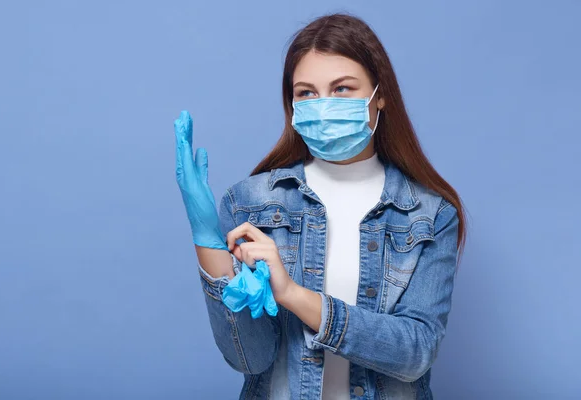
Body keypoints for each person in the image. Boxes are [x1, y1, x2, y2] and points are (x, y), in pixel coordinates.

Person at [175, 12, 467, 400]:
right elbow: (250, 359)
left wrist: (294, 295)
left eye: (342, 89)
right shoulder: (250, 205)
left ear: (379, 95)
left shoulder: (429, 215)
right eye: (307, 93)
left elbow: (415, 352)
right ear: (292, 104)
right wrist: (208, 242)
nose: (323, 105)